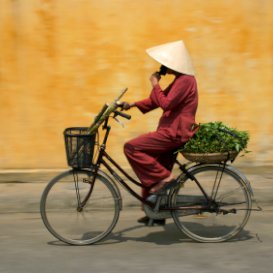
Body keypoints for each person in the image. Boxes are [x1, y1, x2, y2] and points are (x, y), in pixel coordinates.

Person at [122, 40, 199, 225]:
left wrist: (155, 83)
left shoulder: (186, 80)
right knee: (153, 166)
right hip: (170, 131)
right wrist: (131, 105)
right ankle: (156, 214)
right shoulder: (180, 80)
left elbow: (165, 103)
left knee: (132, 148)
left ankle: (166, 179)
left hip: (174, 133)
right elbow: (157, 100)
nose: (164, 66)